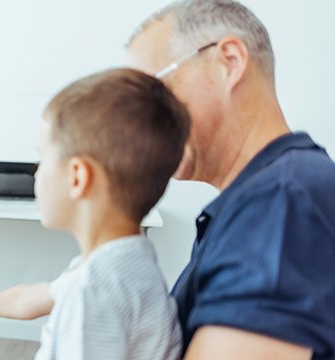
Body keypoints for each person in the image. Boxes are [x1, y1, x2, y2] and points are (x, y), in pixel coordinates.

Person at [126, 1, 335, 359]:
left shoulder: (279, 202)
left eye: (152, 93)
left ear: (230, 63)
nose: (139, 123)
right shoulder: (271, 197)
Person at [0, 68, 189, 359]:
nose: (36, 174)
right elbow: (29, 298)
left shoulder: (92, 292)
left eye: (41, 160)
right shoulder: (126, 261)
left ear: (78, 177)